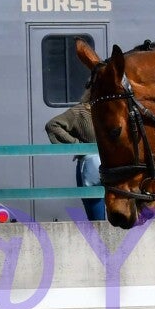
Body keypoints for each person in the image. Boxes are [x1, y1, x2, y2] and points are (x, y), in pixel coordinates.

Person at [44, 74, 106, 223]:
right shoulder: (80, 112)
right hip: (92, 169)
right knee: (97, 220)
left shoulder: (114, 111)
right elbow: (53, 125)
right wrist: (76, 144)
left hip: (115, 169)